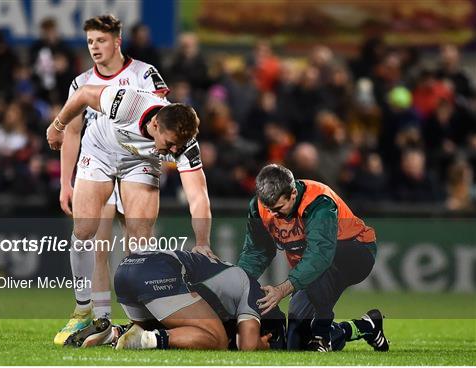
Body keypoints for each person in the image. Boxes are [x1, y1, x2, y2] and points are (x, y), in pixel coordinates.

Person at [48, 15, 213, 346]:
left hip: (140, 160)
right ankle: (84, 312)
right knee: (84, 230)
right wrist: (57, 126)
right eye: (170, 146)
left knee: (139, 238)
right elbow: (79, 101)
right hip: (101, 149)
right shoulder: (123, 101)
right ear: (154, 128)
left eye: (101, 40)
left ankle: (137, 322)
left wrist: (203, 241)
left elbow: (198, 196)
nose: (174, 153)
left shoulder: (179, 140)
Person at [237, 164, 388, 352]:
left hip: (355, 251)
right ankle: (366, 327)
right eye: (269, 208)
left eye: (279, 208)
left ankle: (322, 334)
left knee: (318, 263)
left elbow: (320, 255)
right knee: (298, 342)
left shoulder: (318, 201)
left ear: (293, 194)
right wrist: (236, 283)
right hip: (315, 267)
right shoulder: (259, 208)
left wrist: (281, 290)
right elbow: (257, 252)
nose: (273, 215)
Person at [65, 250, 285, 351]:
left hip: (127, 268)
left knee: (163, 323)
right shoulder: (256, 292)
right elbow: (246, 345)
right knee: (216, 340)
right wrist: (260, 344)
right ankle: (143, 340)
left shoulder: (228, 282)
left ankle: (111, 334)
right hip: (157, 271)